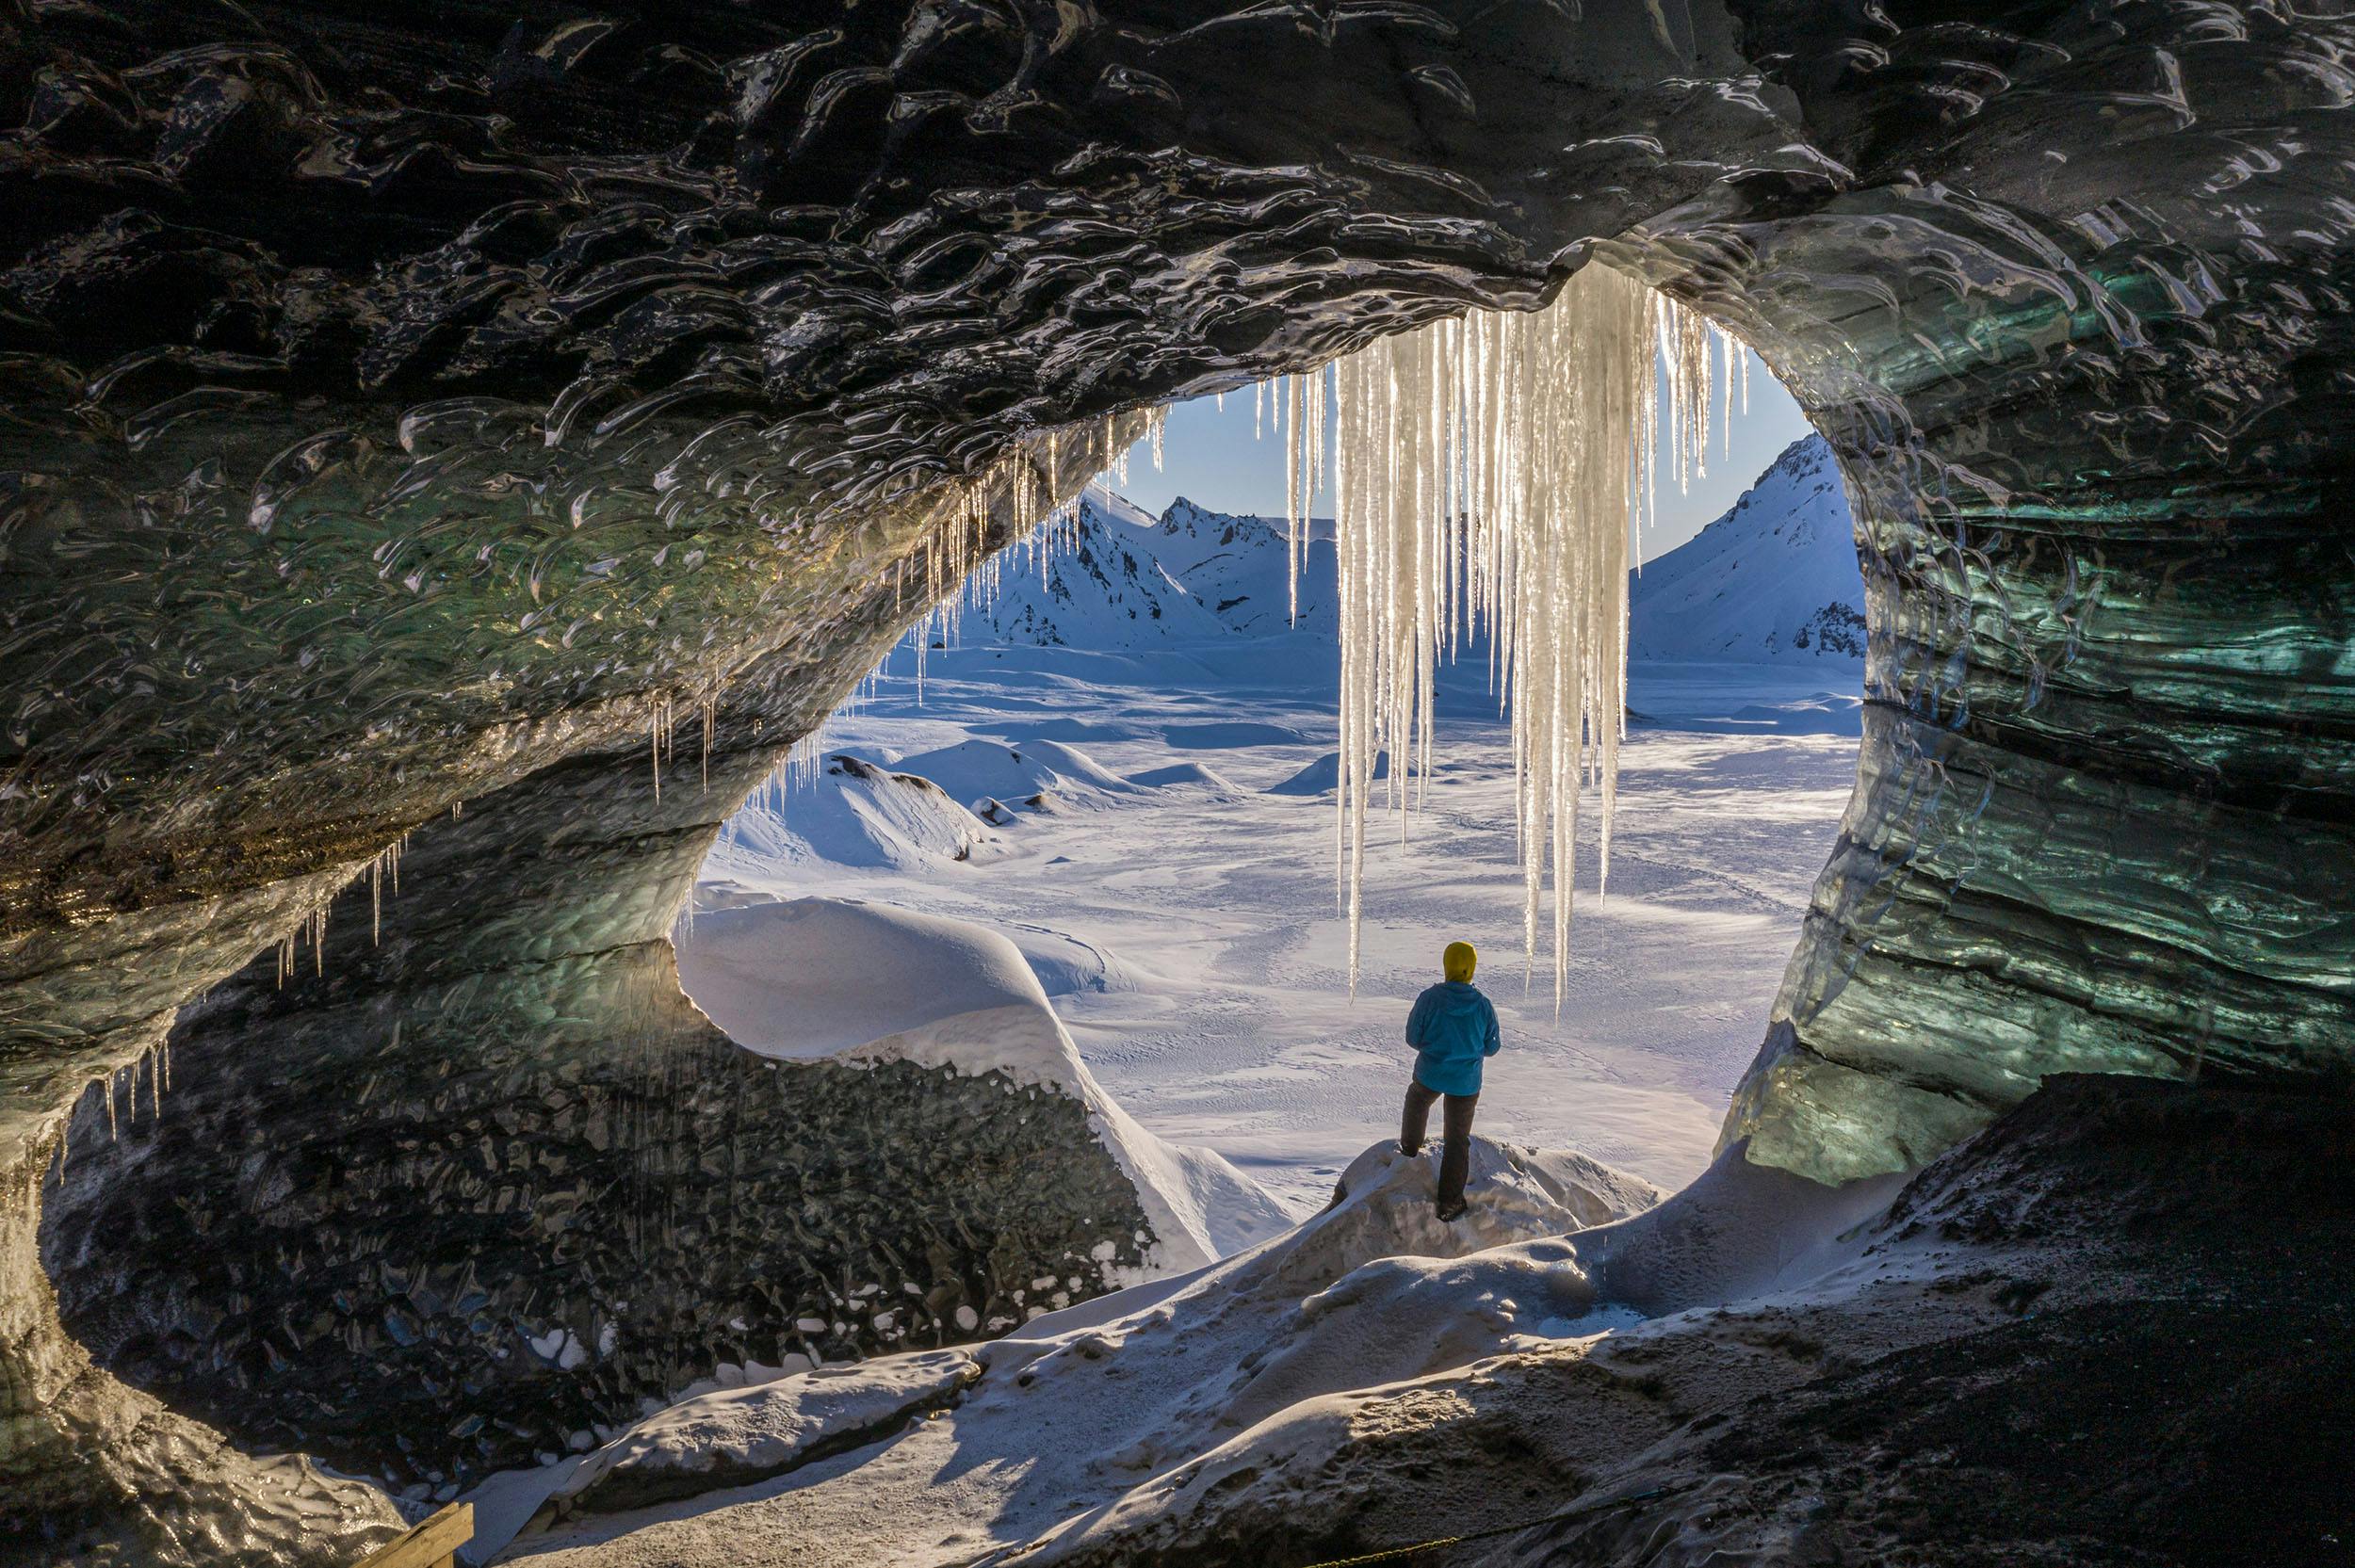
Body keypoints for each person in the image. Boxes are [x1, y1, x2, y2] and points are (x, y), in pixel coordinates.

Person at [1400, 940, 1502, 1221]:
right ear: (1471, 967)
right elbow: (1492, 1047)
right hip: (1466, 1082)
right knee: (1456, 1140)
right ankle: (1449, 1203)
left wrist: (1436, 1048)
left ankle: (1409, 1151)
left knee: (1418, 1100)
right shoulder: (1482, 1005)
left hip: (1430, 1072)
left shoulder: (1429, 999)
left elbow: (1412, 1038)